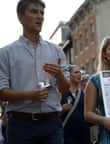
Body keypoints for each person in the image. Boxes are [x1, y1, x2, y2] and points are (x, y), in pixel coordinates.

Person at [0, 0, 70, 143]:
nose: (40, 16)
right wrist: (29, 95)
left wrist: (60, 76)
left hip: (52, 123)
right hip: (21, 124)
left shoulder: (56, 51)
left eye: (42, 13)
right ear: (20, 17)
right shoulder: (5, 53)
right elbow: (2, 92)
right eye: (34, 12)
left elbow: (66, 89)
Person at [61, 65, 90, 144]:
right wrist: (62, 110)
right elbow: (54, 115)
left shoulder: (84, 93)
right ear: (68, 75)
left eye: (80, 73)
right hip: (67, 135)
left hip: (83, 135)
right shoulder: (62, 92)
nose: (79, 75)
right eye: (76, 72)